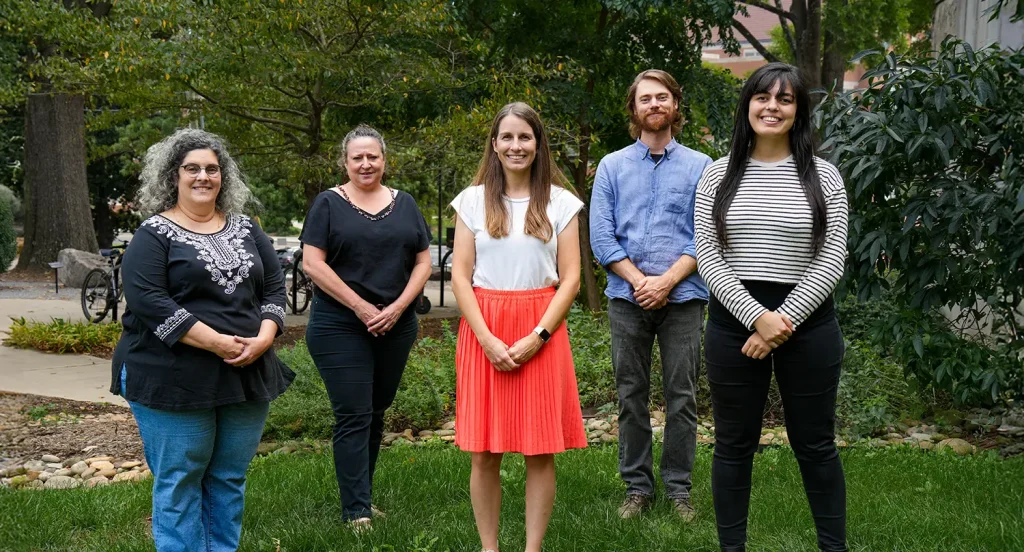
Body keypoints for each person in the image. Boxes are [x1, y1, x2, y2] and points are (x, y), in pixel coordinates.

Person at [111, 128, 294, 552]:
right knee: (180, 479)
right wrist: (215, 342)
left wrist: (264, 338)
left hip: (245, 370)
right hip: (171, 374)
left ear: (223, 177)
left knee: (228, 476)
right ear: (173, 176)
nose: (203, 176)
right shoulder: (153, 235)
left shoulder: (247, 229)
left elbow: (274, 289)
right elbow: (149, 301)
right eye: (192, 168)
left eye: (212, 169)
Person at [694, 62, 850, 552]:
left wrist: (782, 320)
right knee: (733, 446)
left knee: (816, 445)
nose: (772, 107)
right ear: (748, 106)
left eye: (785, 99)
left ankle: (834, 547)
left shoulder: (825, 177)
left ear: (798, 110)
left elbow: (832, 255)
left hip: (809, 324)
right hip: (733, 323)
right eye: (763, 97)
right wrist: (757, 317)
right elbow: (707, 252)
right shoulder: (717, 174)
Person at [450, 102, 587, 552]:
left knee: (539, 449)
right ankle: (489, 548)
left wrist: (537, 336)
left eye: (524, 137)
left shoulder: (562, 203)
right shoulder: (471, 201)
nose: (515, 146)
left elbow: (570, 279)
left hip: (541, 328)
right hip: (483, 327)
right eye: (506, 137)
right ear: (494, 144)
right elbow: (460, 276)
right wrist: (487, 339)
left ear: (538, 143)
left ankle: (533, 548)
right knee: (484, 451)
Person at [589, 69, 710, 520]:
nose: (654, 104)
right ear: (634, 109)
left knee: (682, 396)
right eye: (645, 99)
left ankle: (679, 490)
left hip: (684, 299)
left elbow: (706, 236)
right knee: (631, 394)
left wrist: (666, 282)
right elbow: (601, 238)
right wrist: (641, 282)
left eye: (663, 97)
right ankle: (637, 489)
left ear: (675, 106)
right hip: (627, 298)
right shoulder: (611, 166)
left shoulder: (702, 166)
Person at [300, 124, 433, 528]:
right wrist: (361, 307)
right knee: (354, 413)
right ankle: (355, 511)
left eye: (372, 156)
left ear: (384, 161)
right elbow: (312, 263)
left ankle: (363, 497)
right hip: (340, 325)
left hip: (397, 324)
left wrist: (396, 308)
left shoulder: (406, 203)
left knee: (375, 411)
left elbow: (423, 261)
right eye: (357, 157)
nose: (365, 163)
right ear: (345, 162)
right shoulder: (327, 204)